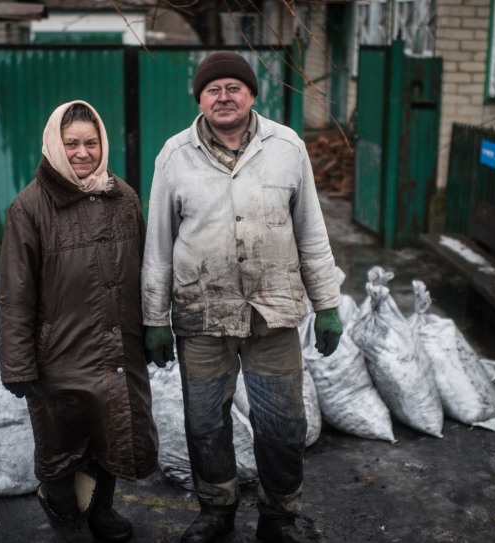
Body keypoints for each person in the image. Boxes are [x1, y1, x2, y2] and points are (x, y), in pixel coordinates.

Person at [141, 52, 343, 543]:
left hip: (273, 312)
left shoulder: (287, 147)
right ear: (200, 99)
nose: (224, 96)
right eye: (213, 89)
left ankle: (280, 516)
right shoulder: (174, 155)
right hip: (201, 314)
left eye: (234, 87)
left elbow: (311, 232)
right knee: (205, 423)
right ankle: (217, 511)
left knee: (282, 424)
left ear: (252, 94)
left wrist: (328, 304)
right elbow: (159, 244)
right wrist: (154, 317)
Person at [0, 100, 158, 543]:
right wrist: (17, 364)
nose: (83, 152)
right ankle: (64, 508)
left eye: (91, 142)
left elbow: (146, 272)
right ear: (54, 144)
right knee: (60, 444)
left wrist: (154, 330)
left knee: (113, 436)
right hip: (60, 353)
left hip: (118, 347)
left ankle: (102, 512)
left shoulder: (123, 197)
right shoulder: (29, 208)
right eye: (72, 144)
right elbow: (14, 295)